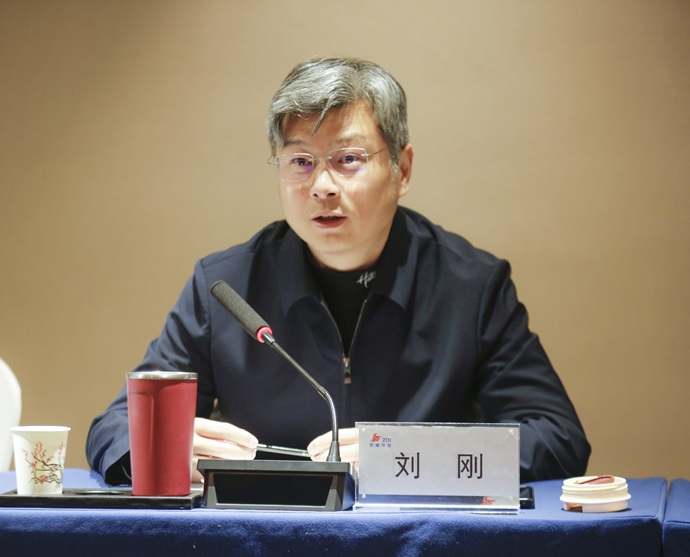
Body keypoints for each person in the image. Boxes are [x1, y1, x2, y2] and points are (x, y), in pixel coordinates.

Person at [86, 57, 590, 484]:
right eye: (300, 161)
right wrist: (158, 448)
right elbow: (115, 428)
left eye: (348, 159)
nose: (322, 186)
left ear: (402, 170)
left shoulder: (470, 286)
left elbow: (557, 436)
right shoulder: (227, 287)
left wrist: (406, 457)